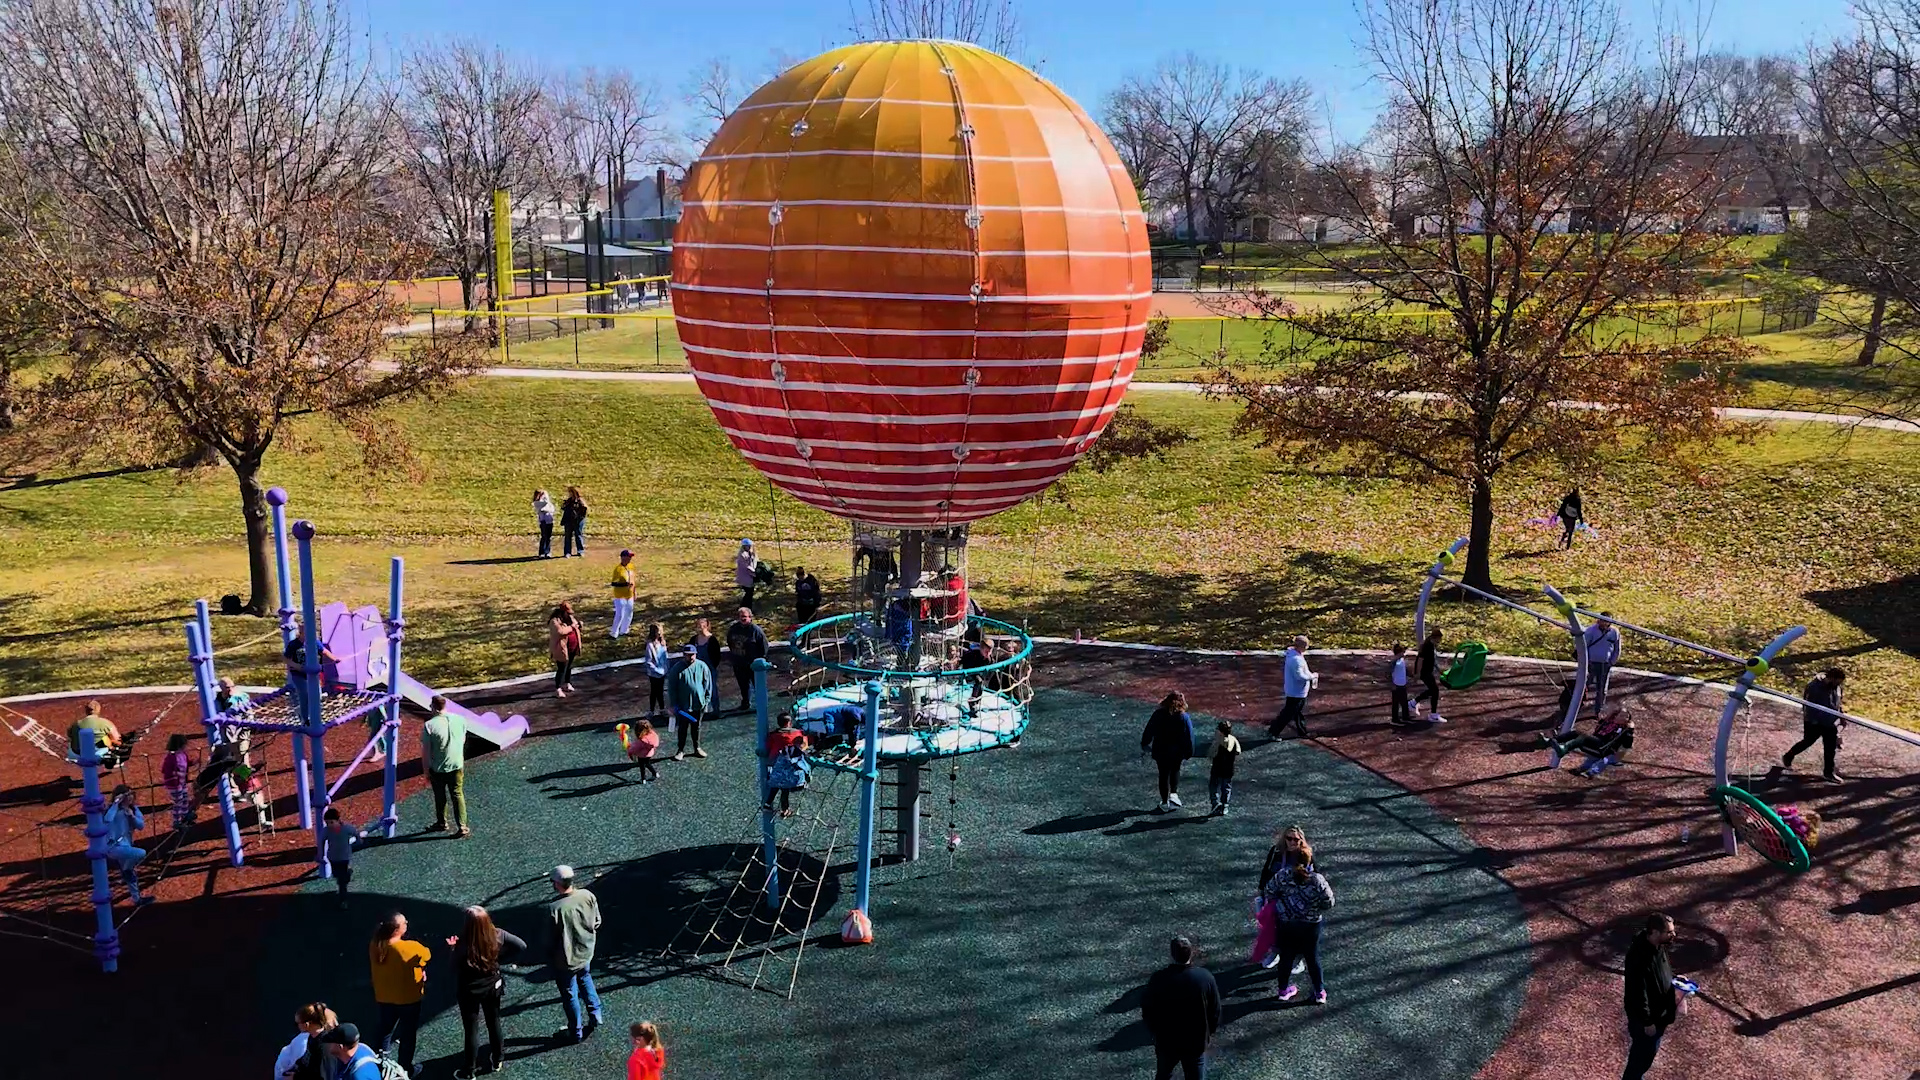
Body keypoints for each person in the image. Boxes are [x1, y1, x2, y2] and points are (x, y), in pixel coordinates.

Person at [448, 904, 525, 1079]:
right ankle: (497, 1059)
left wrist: (452, 949)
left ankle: (469, 1071)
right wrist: (499, 961)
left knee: (471, 1030)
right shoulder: (498, 935)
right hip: (492, 986)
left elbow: (453, 967)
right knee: (494, 1021)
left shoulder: (463, 944)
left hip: (469, 990)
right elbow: (521, 946)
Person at [1139, 935, 1220, 1080]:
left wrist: (1155, 1033)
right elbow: (1215, 1011)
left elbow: (1148, 1010)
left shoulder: (1159, 979)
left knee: (1164, 1074)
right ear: (1191, 952)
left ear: (1172, 954)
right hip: (1195, 1042)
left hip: (1167, 1041)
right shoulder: (1205, 978)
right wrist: (1207, 1034)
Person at [1264, 848, 1335, 1004]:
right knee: (1312, 957)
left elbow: (1269, 891)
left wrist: (1283, 907)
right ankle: (1319, 992)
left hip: (1287, 923)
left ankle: (1283, 991)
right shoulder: (1317, 879)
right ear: (1309, 860)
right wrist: (1316, 908)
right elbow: (1329, 902)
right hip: (1310, 925)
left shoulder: (1283, 875)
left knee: (1286, 956)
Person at [547, 865, 604, 1043]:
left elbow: (549, 940)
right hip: (585, 952)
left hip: (565, 960)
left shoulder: (554, 908)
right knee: (585, 979)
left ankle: (575, 1032)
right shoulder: (587, 896)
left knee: (570, 994)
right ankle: (596, 1015)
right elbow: (597, 922)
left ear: (557, 883)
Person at [369, 910, 430, 1074]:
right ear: (397, 929)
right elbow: (426, 955)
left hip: (384, 996)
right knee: (408, 1034)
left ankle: (380, 1063)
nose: (407, 924)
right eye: (404, 923)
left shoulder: (376, 944)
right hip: (408, 998)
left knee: (385, 1030)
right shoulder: (409, 948)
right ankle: (405, 1068)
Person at [1622, 912, 1680, 1080]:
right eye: (1669, 932)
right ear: (1655, 932)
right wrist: (1647, 1022)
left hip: (1660, 1016)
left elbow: (1662, 972)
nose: (1673, 935)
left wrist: (1675, 980)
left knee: (1646, 1057)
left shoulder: (1658, 947)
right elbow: (1638, 993)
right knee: (1639, 1061)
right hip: (1647, 1021)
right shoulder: (1638, 957)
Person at [1252, 825, 1311, 969]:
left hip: (1295, 902)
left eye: (1296, 839)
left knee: (1296, 933)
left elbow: (1314, 876)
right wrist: (1262, 890)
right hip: (1275, 898)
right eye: (1289, 838)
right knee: (1272, 929)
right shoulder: (1276, 852)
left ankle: (1297, 960)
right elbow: (1266, 871)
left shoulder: (1305, 855)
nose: (1292, 842)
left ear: (1301, 840)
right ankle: (1275, 953)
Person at [1782, 667, 1848, 782]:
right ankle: (1789, 755)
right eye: (1837, 682)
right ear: (1831, 678)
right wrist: (1812, 721)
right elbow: (1807, 705)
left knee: (1830, 748)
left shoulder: (1836, 687)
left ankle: (1828, 773)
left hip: (1829, 722)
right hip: (1814, 722)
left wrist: (1841, 715)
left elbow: (1837, 702)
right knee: (1807, 742)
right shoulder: (1814, 687)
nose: (1838, 685)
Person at [422, 696, 470, 838]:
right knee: (457, 794)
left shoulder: (429, 726)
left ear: (433, 707)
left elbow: (426, 751)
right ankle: (462, 826)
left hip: (438, 767)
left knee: (440, 795)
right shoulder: (460, 720)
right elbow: (462, 740)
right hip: (456, 764)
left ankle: (442, 822)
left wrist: (425, 771)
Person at [1140, 692, 1194, 812]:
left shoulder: (1158, 714)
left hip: (1161, 750)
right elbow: (1189, 736)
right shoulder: (1183, 717)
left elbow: (1149, 730)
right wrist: (1189, 751)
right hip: (1176, 751)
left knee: (1163, 775)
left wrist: (1145, 743)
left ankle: (1164, 801)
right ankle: (1173, 794)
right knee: (1175, 770)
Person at [1542, 710, 1635, 777]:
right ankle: (1551, 741)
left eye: (1626, 716)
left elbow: (1627, 745)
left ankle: (1564, 749)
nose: (1623, 718)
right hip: (1595, 742)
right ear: (1615, 716)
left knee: (1582, 737)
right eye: (1621, 715)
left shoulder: (1625, 731)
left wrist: (1630, 730)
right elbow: (1601, 724)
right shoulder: (1606, 722)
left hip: (1602, 748)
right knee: (1575, 733)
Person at [103, 784, 151, 904]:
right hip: (113, 847)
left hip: (125, 846)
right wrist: (115, 803)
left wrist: (132, 817)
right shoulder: (112, 809)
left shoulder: (134, 809)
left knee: (131, 874)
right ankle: (126, 870)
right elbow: (107, 819)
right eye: (126, 795)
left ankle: (137, 899)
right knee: (141, 853)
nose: (130, 797)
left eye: (131, 794)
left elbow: (141, 826)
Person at [669, 644, 714, 761]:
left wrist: (706, 701)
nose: (690, 657)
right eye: (688, 655)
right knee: (682, 728)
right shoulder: (677, 669)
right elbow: (672, 688)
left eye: (692, 655)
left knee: (696, 727)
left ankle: (697, 748)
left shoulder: (702, 666)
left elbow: (708, 684)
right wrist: (674, 704)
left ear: (696, 654)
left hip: (698, 704)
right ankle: (680, 750)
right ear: (684, 655)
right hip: (683, 706)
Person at [274, 1001, 336, 1080]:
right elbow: (305, 1062)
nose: (296, 1026)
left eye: (297, 1023)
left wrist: (296, 1077)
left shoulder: (326, 1046)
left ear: (306, 1025)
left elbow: (323, 1076)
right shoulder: (312, 1039)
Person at [764, 711, 810, 816]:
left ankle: (768, 804)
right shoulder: (797, 733)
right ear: (789, 723)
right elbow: (804, 745)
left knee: (776, 783)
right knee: (785, 785)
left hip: (775, 764)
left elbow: (768, 746)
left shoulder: (773, 735)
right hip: (790, 766)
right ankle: (785, 809)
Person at [725, 607, 769, 714]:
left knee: (758, 685)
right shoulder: (734, 629)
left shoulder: (756, 630)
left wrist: (760, 660)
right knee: (743, 685)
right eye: (741, 617)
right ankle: (745, 702)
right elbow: (729, 642)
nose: (743, 619)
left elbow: (764, 646)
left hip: (753, 664)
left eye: (745, 617)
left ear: (750, 617)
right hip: (739, 663)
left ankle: (762, 704)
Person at [1273, 635, 1316, 737]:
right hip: (1296, 692)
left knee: (1297, 713)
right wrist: (1312, 676)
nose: (1307, 648)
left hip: (1294, 690)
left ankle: (1302, 731)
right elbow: (1300, 676)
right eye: (1306, 646)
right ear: (1301, 646)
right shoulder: (1297, 660)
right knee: (1288, 714)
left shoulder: (1294, 656)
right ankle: (1273, 731)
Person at [1583, 614, 1622, 716]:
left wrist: (1612, 662)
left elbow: (1617, 648)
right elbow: (1584, 646)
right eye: (1602, 620)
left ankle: (1599, 711)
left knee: (1602, 689)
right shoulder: (1590, 631)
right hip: (1591, 663)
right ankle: (1575, 704)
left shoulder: (1615, 632)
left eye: (1606, 621)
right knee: (1584, 684)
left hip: (1605, 664)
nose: (1604, 623)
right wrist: (1586, 661)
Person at [66, 699, 123, 764]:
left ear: (86, 711)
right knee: (109, 742)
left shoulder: (75, 724)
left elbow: (70, 736)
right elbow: (118, 740)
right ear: (98, 710)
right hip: (95, 755)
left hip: (76, 754)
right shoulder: (105, 723)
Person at [318, 1024, 382, 1080]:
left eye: (330, 1042)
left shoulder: (359, 1075)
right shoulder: (360, 1048)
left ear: (340, 1047)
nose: (327, 1045)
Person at [322, 807, 356, 908]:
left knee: (341, 882)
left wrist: (359, 839)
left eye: (331, 822)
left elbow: (354, 832)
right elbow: (322, 841)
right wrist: (322, 854)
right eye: (327, 823)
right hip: (333, 857)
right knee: (336, 875)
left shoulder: (346, 829)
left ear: (338, 820)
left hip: (344, 857)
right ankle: (347, 875)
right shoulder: (327, 831)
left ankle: (343, 901)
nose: (329, 825)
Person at [161, 733, 195, 831]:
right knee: (178, 803)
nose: (186, 746)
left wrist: (193, 762)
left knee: (185, 799)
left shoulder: (183, 754)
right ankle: (177, 822)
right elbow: (165, 770)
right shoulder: (171, 757)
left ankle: (184, 816)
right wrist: (175, 774)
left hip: (182, 783)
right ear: (180, 745)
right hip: (174, 785)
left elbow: (187, 763)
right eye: (184, 744)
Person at [549, 603, 583, 698]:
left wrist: (579, 625)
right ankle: (558, 688)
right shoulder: (554, 621)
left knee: (569, 667)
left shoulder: (570, 618)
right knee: (562, 668)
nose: (570, 615)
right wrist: (572, 627)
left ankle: (567, 683)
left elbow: (575, 626)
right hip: (561, 649)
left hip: (572, 647)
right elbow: (561, 631)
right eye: (567, 613)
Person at [1207, 721, 1240, 817]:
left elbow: (1210, 754)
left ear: (1220, 732)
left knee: (1213, 786)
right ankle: (1224, 805)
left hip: (1217, 769)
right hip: (1229, 769)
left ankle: (1215, 803)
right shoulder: (1233, 740)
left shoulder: (1218, 743)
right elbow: (1238, 751)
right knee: (1226, 787)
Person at [690, 618, 723, 710]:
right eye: (698, 627)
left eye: (702, 626)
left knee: (712, 690)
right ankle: (702, 710)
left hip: (710, 668)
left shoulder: (712, 640)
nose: (700, 629)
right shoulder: (694, 639)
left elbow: (717, 655)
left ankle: (716, 709)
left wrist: (712, 666)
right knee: (698, 690)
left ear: (706, 626)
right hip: (696, 669)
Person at [1417, 627, 1445, 722]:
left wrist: (1439, 670)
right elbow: (1420, 659)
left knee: (1432, 691)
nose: (1440, 641)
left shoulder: (1431, 645)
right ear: (1436, 637)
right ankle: (1433, 715)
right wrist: (1417, 673)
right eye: (1440, 638)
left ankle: (1413, 703)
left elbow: (1433, 661)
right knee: (1435, 691)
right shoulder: (1427, 646)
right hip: (1425, 672)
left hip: (1428, 671)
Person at [609, 550, 638, 640]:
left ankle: (624, 630)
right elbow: (613, 583)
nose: (630, 558)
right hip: (620, 595)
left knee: (629, 613)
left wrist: (634, 591)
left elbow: (633, 580)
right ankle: (614, 633)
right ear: (623, 557)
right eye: (628, 556)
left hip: (629, 595)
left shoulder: (631, 567)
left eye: (630, 557)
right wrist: (625, 584)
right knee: (620, 614)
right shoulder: (618, 569)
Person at [643, 623, 669, 718]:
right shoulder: (650, 645)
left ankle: (662, 709)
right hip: (654, 673)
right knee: (654, 691)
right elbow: (648, 661)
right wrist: (657, 670)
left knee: (660, 691)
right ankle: (651, 710)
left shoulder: (662, 643)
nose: (660, 633)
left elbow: (665, 657)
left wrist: (666, 669)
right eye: (658, 631)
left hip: (663, 671)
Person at [1387, 642, 1414, 727]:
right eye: (1403, 652)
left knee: (1404, 702)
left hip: (1402, 684)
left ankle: (1405, 717)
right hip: (1396, 685)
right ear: (1399, 652)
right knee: (1396, 703)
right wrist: (1392, 684)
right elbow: (1388, 674)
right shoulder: (1394, 662)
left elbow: (1405, 670)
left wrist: (1412, 675)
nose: (1404, 654)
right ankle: (1395, 719)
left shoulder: (1401, 660)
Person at [560, 485, 588, 557]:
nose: (570, 493)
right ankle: (567, 552)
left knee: (578, 535)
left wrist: (580, 518)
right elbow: (563, 508)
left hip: (578, 521)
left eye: (571, 492)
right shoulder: (569, 501)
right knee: (567, 536)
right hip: (568, 520)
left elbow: (584, 510)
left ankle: (580, 550)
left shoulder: (580, 501)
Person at [533, 488, 557, 558]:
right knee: (544, 536)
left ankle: (548, 552)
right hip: (543, 520)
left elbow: (550, 506)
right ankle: (542, 552)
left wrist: (545, 494)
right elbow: (542, 508)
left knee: (548, 537)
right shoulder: (536, 502)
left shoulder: (547, 501)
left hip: (549, 520)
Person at [734, 539, 758, 609]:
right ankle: (745, 607)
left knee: (749, 593)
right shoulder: (742, 555)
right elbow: (747, 567)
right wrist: (754, 573)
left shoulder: (750, 553)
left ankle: (747, 607)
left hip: (749, 577)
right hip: (745, 577)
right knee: (748, 593)